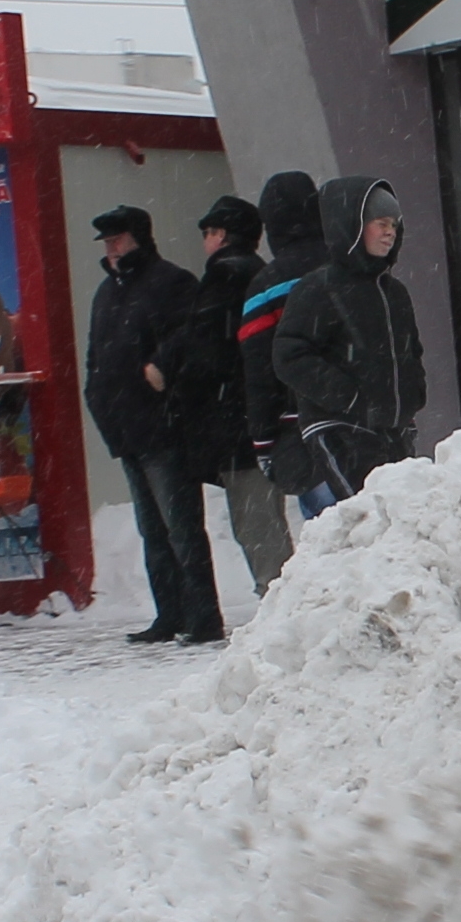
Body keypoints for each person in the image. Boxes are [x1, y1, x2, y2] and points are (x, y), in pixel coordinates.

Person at [82, 205, 224, 647]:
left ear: (138, 238)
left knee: (180, 526)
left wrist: (159, 368)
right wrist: (98, 397)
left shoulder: (171, 282)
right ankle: (170, 614)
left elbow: (194, 336)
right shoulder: (108, 292)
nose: (111, 249)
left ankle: (203, 617)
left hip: (163, 428)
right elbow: (96, 355)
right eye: (106, 243)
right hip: (127, 429)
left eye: (117, 240)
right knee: (153, 531)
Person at [272, 175, 429, 498]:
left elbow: (411, 351)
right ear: (350, 226)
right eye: (379, 222)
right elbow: (290, 354)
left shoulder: (394, 292)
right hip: (340, 428)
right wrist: (347, 396)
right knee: (370, 514)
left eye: (395, 225)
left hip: (393, 428)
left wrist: (414, 393)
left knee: (407, 515)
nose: (389, 232)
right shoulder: (319, 288)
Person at [176, 193, 291, 595]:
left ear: (221, 235)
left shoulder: (224, 276)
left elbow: (209, 350)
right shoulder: (260, 273)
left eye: (209, 232)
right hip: (258, 414)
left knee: (256, 524)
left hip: (236, 421)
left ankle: (279, 605)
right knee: (264, 518)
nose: (205, 241)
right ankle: (281, 598)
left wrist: (184, 387)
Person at [232, 169, 337, 518]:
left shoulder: (266, 287)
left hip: (304, 431)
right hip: (368, 424)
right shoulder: (355, 266)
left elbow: (260, 370)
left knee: (334, 542)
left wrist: (263, 440)